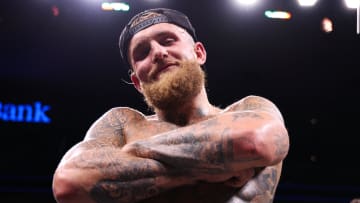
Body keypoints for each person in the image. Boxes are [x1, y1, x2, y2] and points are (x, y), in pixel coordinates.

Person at [52, 8, 289, 203]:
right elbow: (69, 182)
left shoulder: (248, 108)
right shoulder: (122, 123)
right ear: (136, 81)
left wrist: (131, 154)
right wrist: (212, 165)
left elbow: (256, 143)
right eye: (142, 52)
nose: (158, 53)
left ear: (199, 53)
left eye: (168, 40)